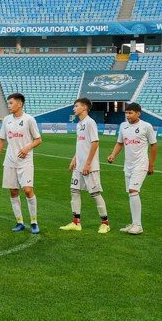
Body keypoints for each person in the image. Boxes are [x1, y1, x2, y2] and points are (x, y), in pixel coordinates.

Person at [0, 92, 42, 234]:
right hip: (9, 161)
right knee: (13, 191)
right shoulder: (6, 120)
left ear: (20, 104)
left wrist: (27, 148)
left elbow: (38, 139)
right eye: (8, 103)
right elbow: (1, 140)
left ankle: (33, 221)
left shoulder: (29, 120)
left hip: (25, 161)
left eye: (11, 103)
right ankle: (19, 221)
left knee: (27, 190)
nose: (9, 106)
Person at [60, 97, 110, 234]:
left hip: (89, 166)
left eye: (76, 106)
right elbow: (80, 144)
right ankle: (76, 222)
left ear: (84, 107)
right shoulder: (79, 124)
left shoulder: (90, 123)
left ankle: (105, 223)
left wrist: (88, 163)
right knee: (74, 191)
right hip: (79, 166)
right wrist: (74, 159)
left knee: (94, 193)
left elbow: (95, 143)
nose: (73, 108)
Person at [107, 102, 157, 235]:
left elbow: (154, 145)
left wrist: (151, 165)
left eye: (130, 113)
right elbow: (120, 143)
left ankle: (138, 225)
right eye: (126, 113)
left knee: (133, 190)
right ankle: (134, 223)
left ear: (138, 113)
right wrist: (113, 155)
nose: (128, 115)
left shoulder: (146, 126)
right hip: (128, 165)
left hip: (141, 165)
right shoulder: (123, 126)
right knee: (131, 193)